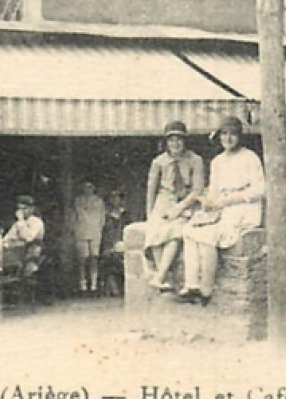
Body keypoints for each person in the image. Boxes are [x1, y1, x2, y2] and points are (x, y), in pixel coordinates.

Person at [180, 116, 264, 305]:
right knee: (190, 230)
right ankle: (191, 284)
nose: (228, 138)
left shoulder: (250, 157)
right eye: (224, 134)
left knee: (208, 235)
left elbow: (260, 189)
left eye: (233, 134)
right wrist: (207, 202)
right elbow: (215, 191)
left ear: (239, 137)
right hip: (222, 208)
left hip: (244, 207)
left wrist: (230, 199)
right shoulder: (217, 161)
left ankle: (206, 289)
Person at [143, 120, 205, 292]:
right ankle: (163, 278)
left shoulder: (195, 160)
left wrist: (180, 208)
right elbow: (151, 189)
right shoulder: (159, 162)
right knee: (155, 231)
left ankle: (161, 276)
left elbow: (198, 190)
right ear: (166, 142)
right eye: (171, 140)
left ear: (185, 141)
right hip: (164, 200)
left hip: (186, 200)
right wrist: (150, 215)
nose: (175, 143)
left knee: (176, 232)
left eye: (179, 139)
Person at [71, 181, 107, 295]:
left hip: (95, 231)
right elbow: (74, 217)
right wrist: (76, 229)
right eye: (86, 187)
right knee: (83, 259)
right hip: (82, 231)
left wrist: (99, 228)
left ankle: (94, 285)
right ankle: (83, 285)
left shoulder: (99, 201)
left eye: (90, 187)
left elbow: (102, 217)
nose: (88, 189)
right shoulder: (78, 201)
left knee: (94, 257)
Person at [3, 194, 46, 276]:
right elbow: (7, 238)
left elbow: (28, 238)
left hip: (31, 256)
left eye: (24, 209)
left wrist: (21, 221)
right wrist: (8, 243)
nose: (21, 212)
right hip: (15, 255)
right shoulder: (18, 224)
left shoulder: (36, 222)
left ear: (32, 209)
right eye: (19, 209)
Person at [99, 189, 128, 297]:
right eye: (112, 198)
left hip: (123, 244)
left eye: (117, 197)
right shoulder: (106, 216)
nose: (114, 200)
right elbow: (105, 233)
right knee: (108, 260)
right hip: (110, 245)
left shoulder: (126, 215)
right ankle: (113, 288)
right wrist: (110, 246)